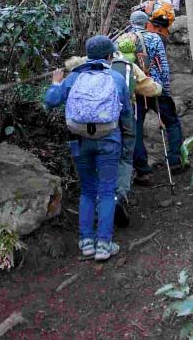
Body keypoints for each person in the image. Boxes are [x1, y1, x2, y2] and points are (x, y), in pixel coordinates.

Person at [44, 35, 132, 261]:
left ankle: (86, 243)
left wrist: (56, 83)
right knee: (107, 191)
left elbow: (51, 101)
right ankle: (104, 245)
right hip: (109, 140)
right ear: (109, 56)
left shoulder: (74, 77)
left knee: (88, 190)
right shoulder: (115, 77)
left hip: (80, 140)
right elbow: (125, 112)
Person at [64, 44, 162, 227]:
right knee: (124, 158)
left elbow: (65, 81)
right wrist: (159, 86)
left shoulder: (84, 67)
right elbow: (149, 88)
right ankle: (118, 196)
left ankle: (98, 204)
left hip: (89, 125)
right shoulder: (127, 66)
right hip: (120, 120)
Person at [121, 10, 185, 185]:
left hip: (135, 91)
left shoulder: (123, 40)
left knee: (136, 130)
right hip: (155, 88)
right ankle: (175, 161)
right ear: (146, 23)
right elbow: (163, 65)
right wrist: (166, 89)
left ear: (131, 22)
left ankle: (143, 172)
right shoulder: (155, 38)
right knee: (171, 122)